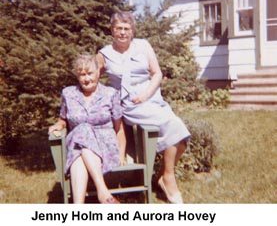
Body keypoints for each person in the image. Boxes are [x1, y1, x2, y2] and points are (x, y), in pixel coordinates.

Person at [97, 11, 191, 204]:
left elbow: (157, 73)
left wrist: (147, 94)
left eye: (126, 28)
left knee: (180, 137)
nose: (123, 32)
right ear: (112, 30)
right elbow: (92, 79)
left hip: (151, 98)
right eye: (119, 28)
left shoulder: (143, 45)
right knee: (175, 126)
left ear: (132, 30)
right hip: (130, 105)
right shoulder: (104, 54)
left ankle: (165, 175)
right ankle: (169, 178)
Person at [48, 54, 126, 204]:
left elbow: (119, 128)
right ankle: (102, 193)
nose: (86, 78)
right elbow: (63, 118)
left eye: (90, 73)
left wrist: (121, 154)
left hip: (105, 145)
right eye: (82, 74)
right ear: (77, 76)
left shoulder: (110, 94)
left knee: (79, 149)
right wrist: (59, 125)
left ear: (98, 73)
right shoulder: (68, 93)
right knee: (82, 133)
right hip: (78, 141)